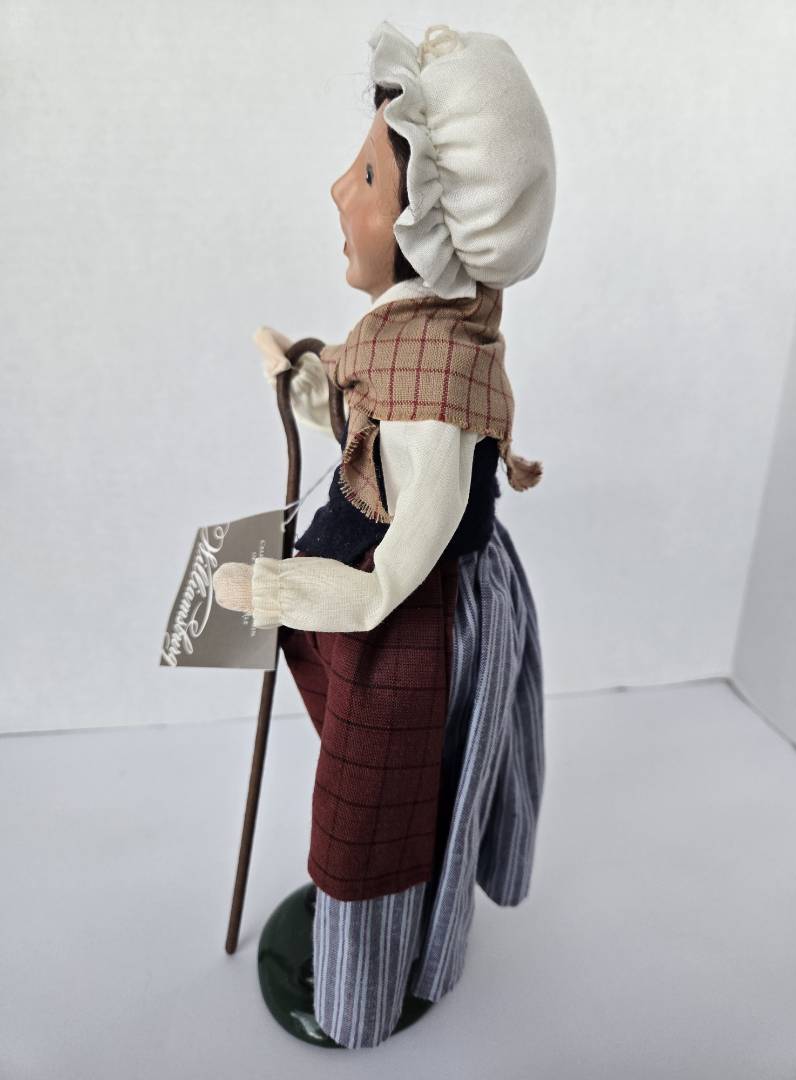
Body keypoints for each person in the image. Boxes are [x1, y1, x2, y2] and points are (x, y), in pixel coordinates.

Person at [213, 20, 555, 1048]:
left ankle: (364, 994)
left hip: (407, 621)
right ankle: (387, 943)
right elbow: (371, 431)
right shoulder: (415, 329)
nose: (339, 191)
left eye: (367, 176)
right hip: (378, 598)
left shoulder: (442, 386)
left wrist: (282, 590)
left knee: (369, 825)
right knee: (384, 799)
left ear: (428, 224)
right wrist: (306, 382)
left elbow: (397, 559)